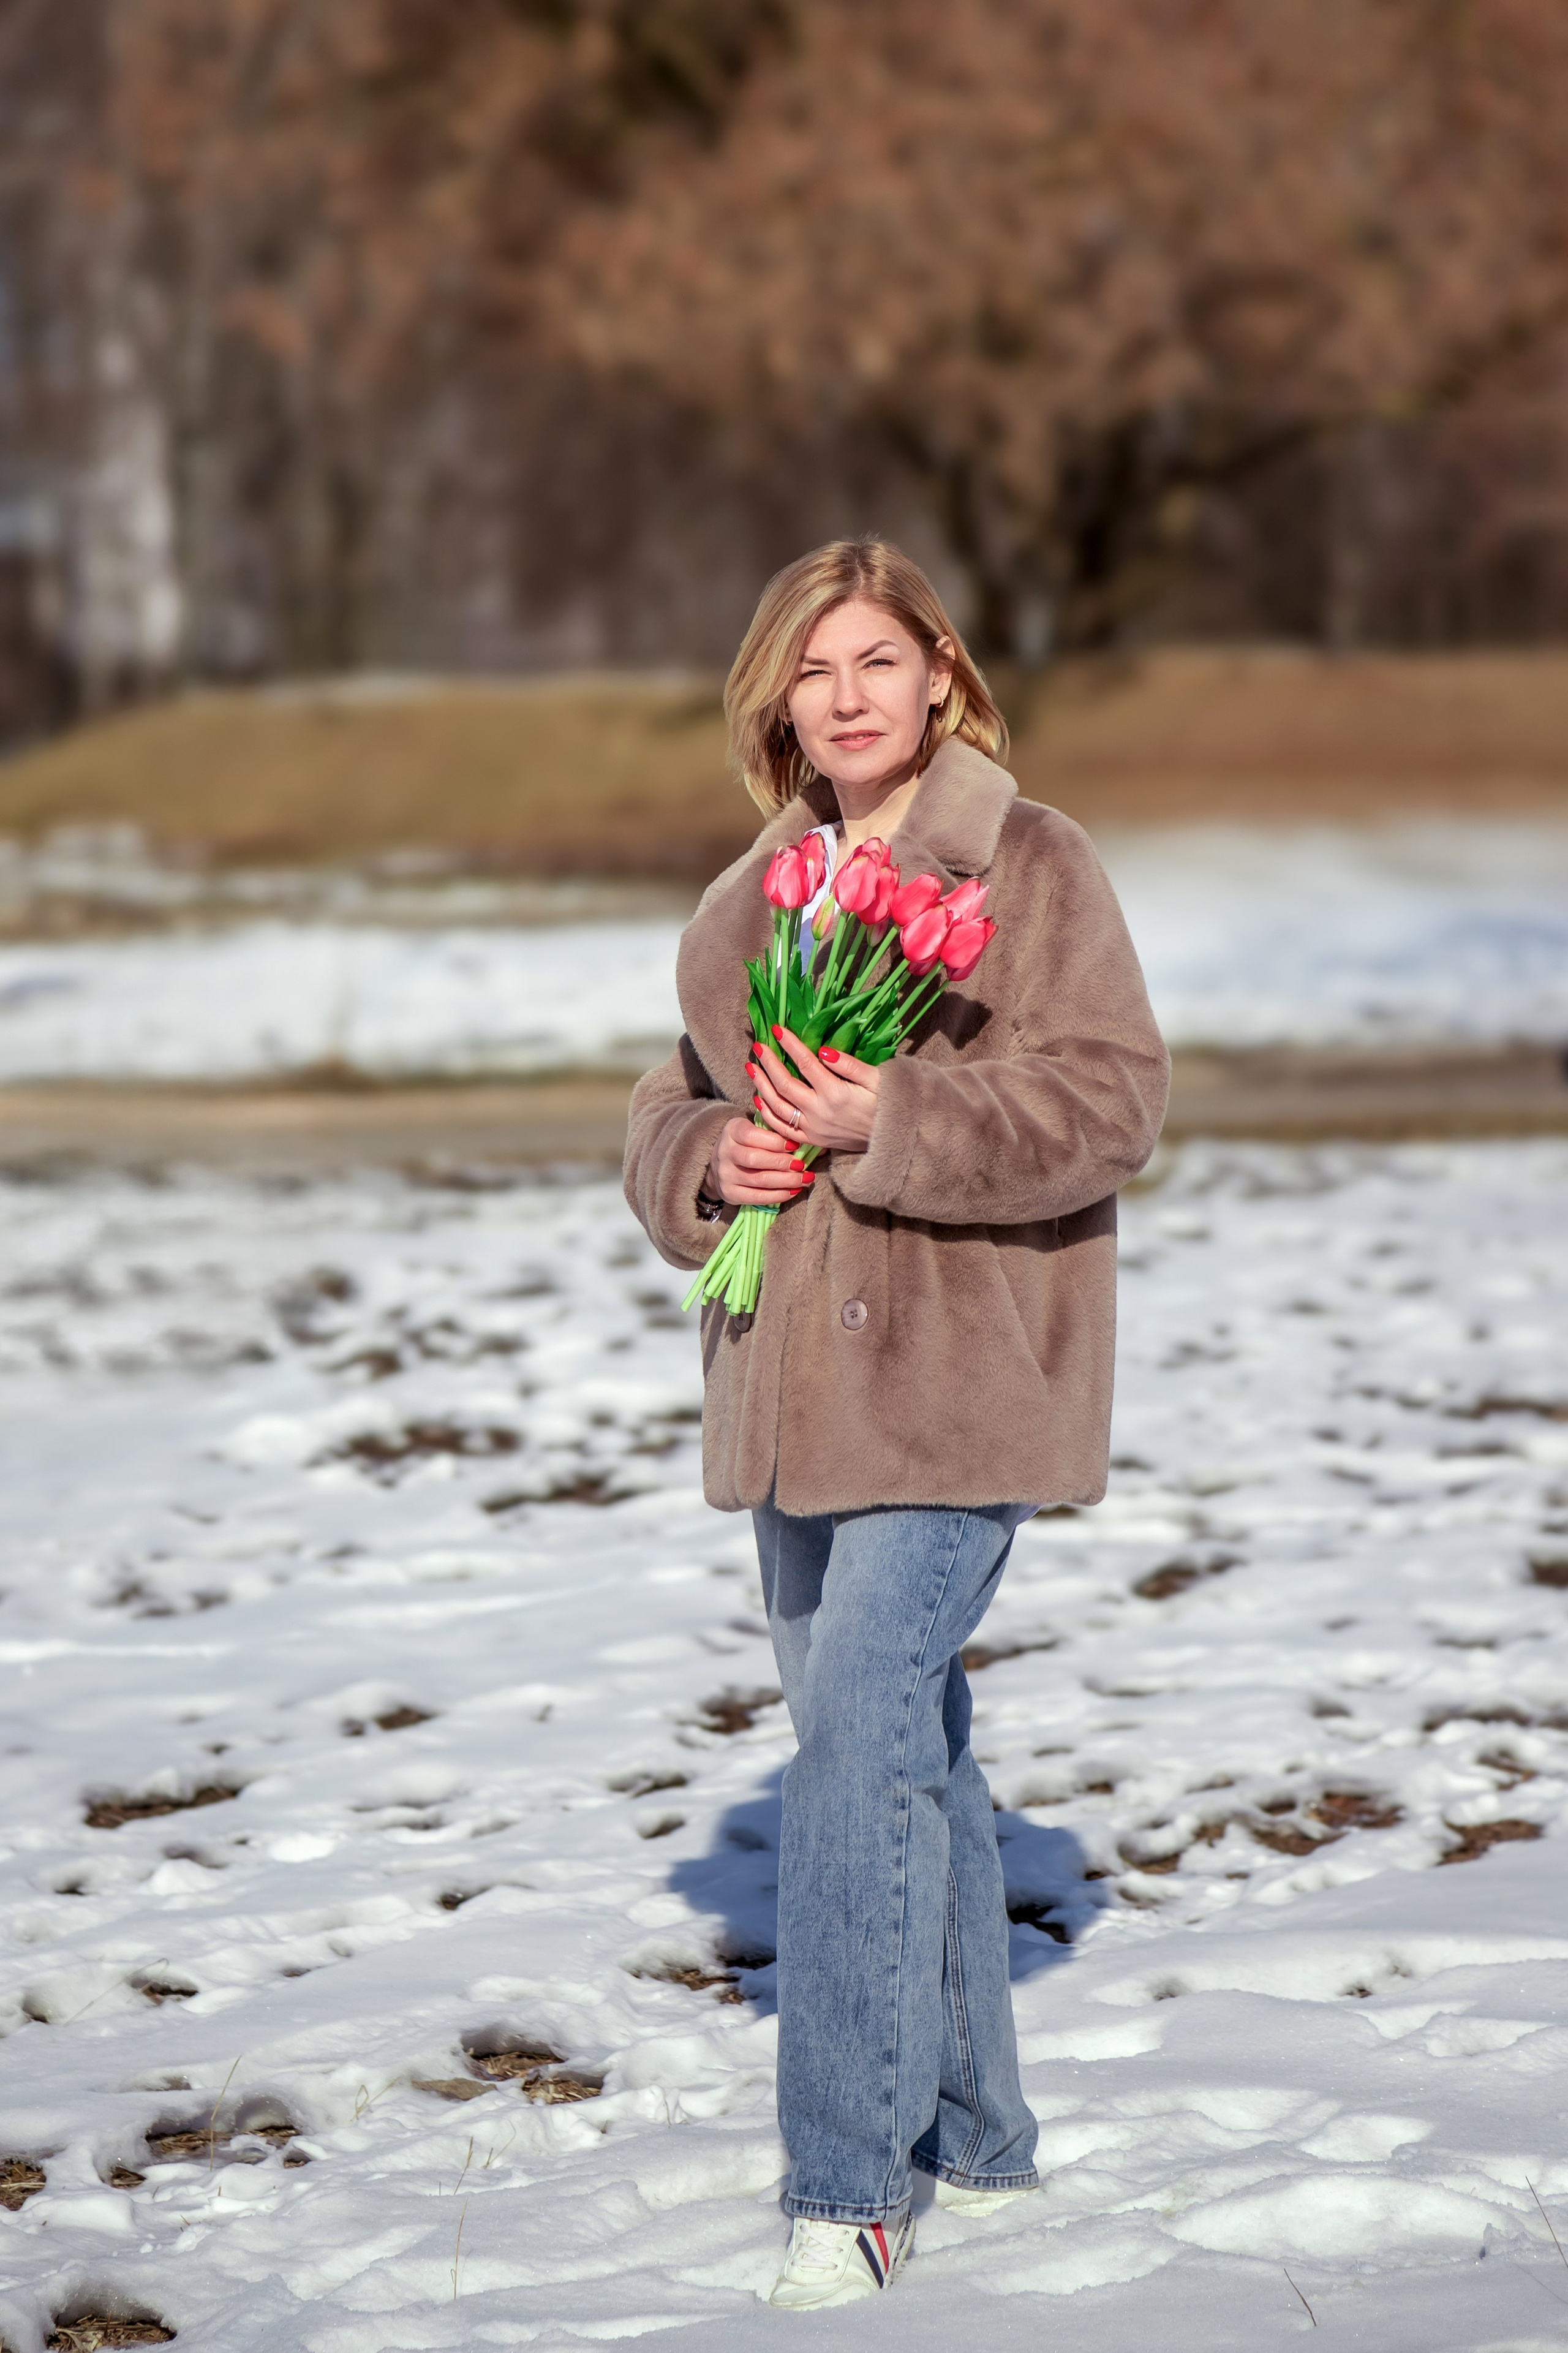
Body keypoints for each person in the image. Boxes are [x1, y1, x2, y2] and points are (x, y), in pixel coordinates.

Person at [624, 538, 1169, 2310]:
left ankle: (848, 2184)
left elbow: (1111, 1101)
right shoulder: (743, 905)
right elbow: (662, 1116)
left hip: (961, 1393)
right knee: (902, 1748)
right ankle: (983, 2132)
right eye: (811, 669)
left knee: (855, 1743)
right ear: (776, 698)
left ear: (940, 670)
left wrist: (891, 1112)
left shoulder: (1030, 861)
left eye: (878, 660)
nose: (845, 695)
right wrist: (727, 1162)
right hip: (792, 1406)